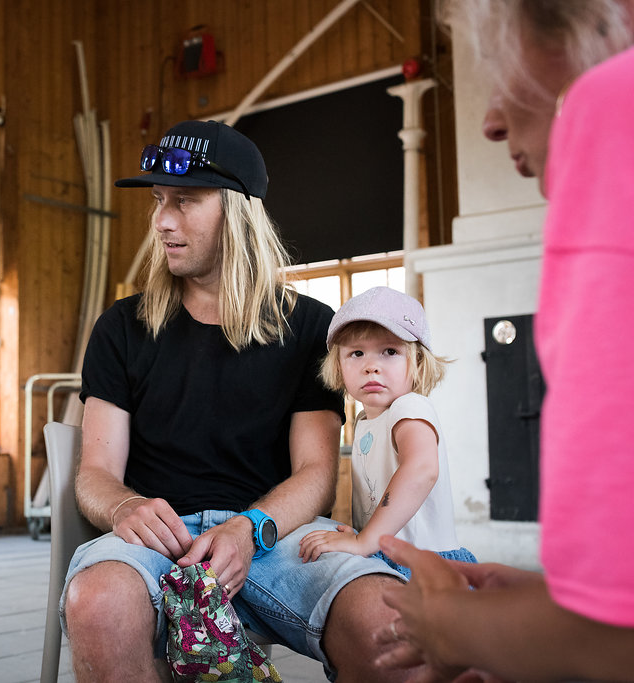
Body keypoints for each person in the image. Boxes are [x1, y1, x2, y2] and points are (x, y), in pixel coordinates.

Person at [62, 119, 411, 682]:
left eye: (184, 201)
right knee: (96, 602)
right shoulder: (121, 327)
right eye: (158, 200)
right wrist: (125, 508)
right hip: (161, 542)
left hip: (276, 535)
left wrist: (249, 528)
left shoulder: (311, 327)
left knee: (388, 622)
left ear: (237, 211)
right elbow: (96, 473)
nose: (162, 220)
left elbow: (317, 473)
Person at [372, 1, 634, 680]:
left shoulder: (611, 108)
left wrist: (449, 625)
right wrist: (551, 597)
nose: (490, 121)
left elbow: (612, 642)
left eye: (500, 64)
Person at [298, 287, 475, 579]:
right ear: (338, 366)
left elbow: (422, 469)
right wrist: (362, 536)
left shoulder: (410, 406)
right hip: (385, 555)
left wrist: (364, 541)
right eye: (356, 353)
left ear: (418, 362)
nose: (371, 367)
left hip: (420, 565)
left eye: (390, 352)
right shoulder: (365, 420)